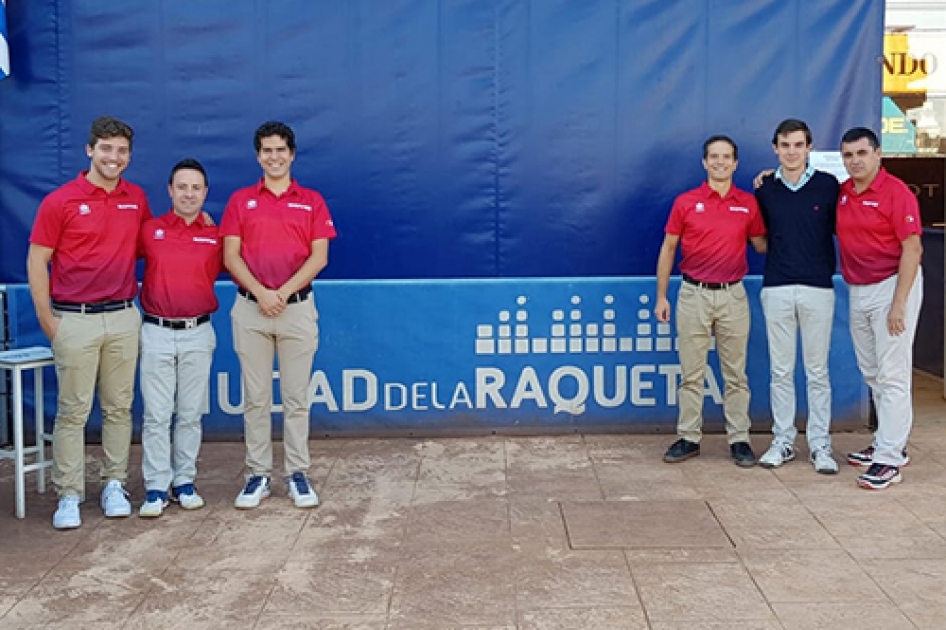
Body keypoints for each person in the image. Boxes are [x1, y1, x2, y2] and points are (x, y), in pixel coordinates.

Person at [26, 116, 151, 530]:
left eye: (121, 151)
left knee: (119, 408)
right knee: (73, 412)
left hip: (122, 316)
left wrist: (199, 222)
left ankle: (114, 484)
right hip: (73, 320)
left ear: (128, 156)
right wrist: (48, 319)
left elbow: (152, 244)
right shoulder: (60, 201)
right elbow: (37, 259)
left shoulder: (136, 199)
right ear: (90, 150)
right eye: (106, 149)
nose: (113, 157)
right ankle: (69, 494)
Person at [221, 121, 336, 509]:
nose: (274, 157)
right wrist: (261, 293)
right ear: (258, 156)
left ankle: (298, 474)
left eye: (280, 150)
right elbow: (230, 255)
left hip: (297, 309)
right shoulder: (240, 201)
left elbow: (319, 256)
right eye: (267, 150)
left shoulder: (312, 201)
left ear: (292, 154)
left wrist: (281, 293)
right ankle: (257, 476)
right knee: (254, 398)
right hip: (251, 310)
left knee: (295, 397)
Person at [655, 135, 767, 467]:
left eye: (727, 157)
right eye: (714, 157)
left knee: (736, 374)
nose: (720, 162)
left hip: (733, 295)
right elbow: (668, 248)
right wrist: (662, 296)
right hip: (693, 294)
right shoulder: (686, 202)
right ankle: (689, 437)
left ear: (735, 163)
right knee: (692, 373)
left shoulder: (748, 203)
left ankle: (740, 440)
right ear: (705, 163)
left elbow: (762, 245)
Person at [837, 127, 923, 490]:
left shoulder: (896, 193)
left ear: (877, 154)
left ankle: (890, 458)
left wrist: (899, 304)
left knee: (893, 374)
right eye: (848, 155)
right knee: (872, 371)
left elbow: (913, 249)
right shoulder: (843, 193)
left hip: (892, 286)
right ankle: (887, 441)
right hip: (859, 287)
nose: (855, 161)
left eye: (861, 153)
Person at [754, 119, 841, 474]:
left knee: (817, 372)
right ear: (775, 148)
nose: (791, 151)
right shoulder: (764, 189)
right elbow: (758, 237)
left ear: (809, 148)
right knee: (781, 371)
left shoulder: (829, 186)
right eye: (785, 145)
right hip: (776, 287)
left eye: (798, 145)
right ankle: (783, 442)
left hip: (818, 288)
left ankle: (821, 446)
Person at [137, 159, 222, 517]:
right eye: (182, 187)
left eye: (196, 188)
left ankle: (184, 481)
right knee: (156, 416)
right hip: (156, 330)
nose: (189, 194)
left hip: (198, 332)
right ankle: (156, 487)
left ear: (205, 193)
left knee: (189, 415)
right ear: (170, 191)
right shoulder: (149, 230)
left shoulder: (216, 236)